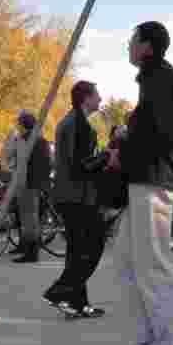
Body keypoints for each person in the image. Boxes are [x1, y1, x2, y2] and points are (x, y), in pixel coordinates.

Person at [108, 21, 173, 345]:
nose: (128, 45)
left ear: (147, 46)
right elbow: (158, 131)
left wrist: (124, 146)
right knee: (127, 260)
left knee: (153, 268)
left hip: (154, 182)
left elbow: (160, 137)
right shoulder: (156, 80)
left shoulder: (158, 81)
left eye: (132, 40)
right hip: (148, 181)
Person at [43, 82, 108, 316]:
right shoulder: (78, 125)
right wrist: (107, 155)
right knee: (94, 244)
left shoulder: (71, 122)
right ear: (86, 98)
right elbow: (80, 165)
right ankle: (59, 292)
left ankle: (77, 302)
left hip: (69, 194)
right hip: (77, 196)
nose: (100, 99)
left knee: (78, 249)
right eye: (97, 95)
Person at [8, 111, 53, 264]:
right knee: (29, 219)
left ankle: (31, 253)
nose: (17, 127)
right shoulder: (41, 141)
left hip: (28, 184)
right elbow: (48, 164)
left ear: (23, 125)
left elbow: (19, 161)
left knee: (30, 220)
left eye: (19, 124)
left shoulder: (26, 140)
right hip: (33, 184)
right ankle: (28, 249)